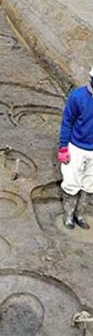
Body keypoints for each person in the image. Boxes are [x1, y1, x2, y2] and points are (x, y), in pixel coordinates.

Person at [58, 67, 93, 230]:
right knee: (71, 183)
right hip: (77, 147)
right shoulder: (78, 97)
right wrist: (63, 147)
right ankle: (68, 217)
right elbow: (67, 123)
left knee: (89, 185)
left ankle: (79, 215)